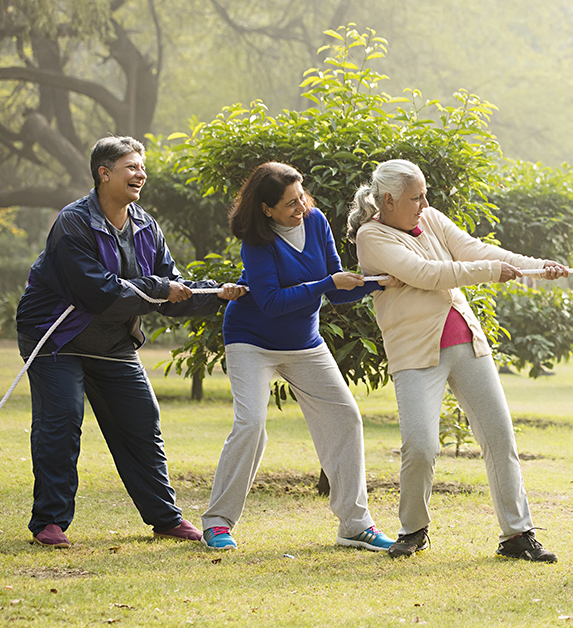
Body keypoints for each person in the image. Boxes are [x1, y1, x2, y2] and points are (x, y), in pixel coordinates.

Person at [16, 136, 245, 548]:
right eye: (131, 167)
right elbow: (99, 293)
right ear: (104, 174)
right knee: (62, 420)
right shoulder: (73, 223)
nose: (142, 174)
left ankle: (165, 518)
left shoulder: (146, 226)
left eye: (142, 167)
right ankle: (49, 522)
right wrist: (161, 287)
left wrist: (215, 294)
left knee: (142, 419)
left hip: (113, 344)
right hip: (55, 339)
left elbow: (170, 294)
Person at [350, 158, 567, 562]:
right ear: (389, 199)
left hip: (466, 343)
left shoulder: (429, 218)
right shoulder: (371, 236)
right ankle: (412, 530)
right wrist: (491, 271)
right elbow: (426, 273)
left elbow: (476, 249)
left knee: (500, 437)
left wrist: (536, 267)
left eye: (424, 194)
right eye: (416, 197)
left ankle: (517, 535)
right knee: (420, 445)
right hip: (416, 353)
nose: (424, 202)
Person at [201, 162, 399, 552]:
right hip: (251, 339)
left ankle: (355, 525)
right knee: (251, 424)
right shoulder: (257, 241)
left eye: (302, 197)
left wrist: (378, 282)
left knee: (345, 417)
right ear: (266, 209)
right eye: (290, 203)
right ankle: (217, 522)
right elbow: (273, 303)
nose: (300, 208)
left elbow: (339, 289)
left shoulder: (316, 221)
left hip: (304, 343)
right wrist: (327, 283)